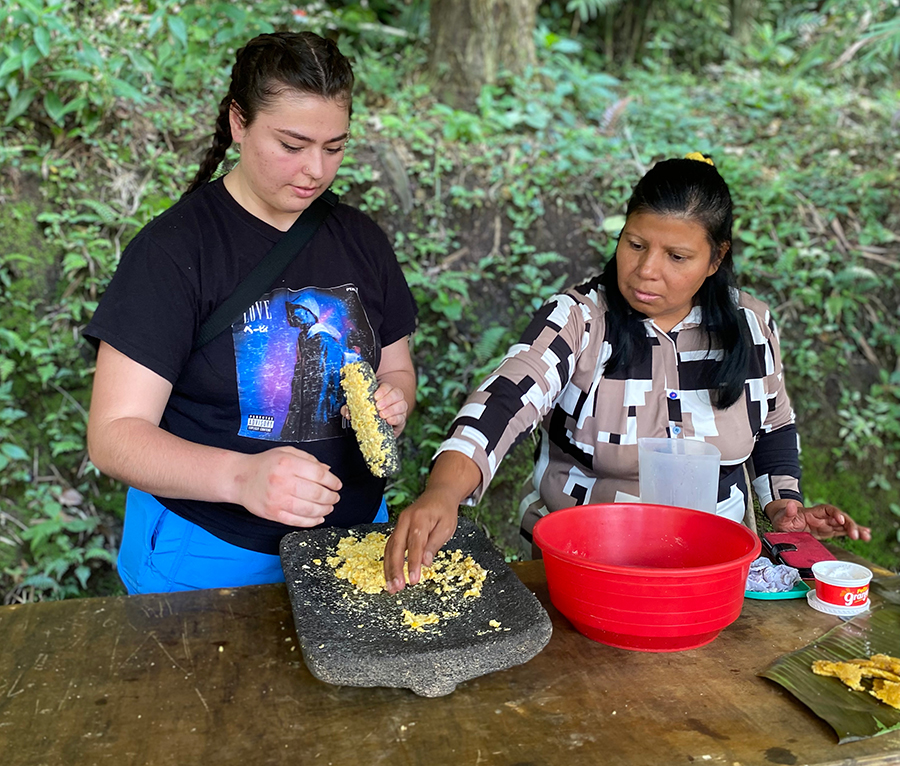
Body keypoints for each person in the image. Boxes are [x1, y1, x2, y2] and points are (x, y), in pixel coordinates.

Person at [383, 153, 870, 594]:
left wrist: (783, 505)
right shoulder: (581, 320)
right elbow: (504, 401)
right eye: (635, 244)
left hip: (710, 572)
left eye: (677, 257)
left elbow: (773, 426)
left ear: (716, 258)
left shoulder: (750, 324)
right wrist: (443, 492)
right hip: (582, 567)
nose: (645, 271)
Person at [85, 31, 417, 594]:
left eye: (334, 147)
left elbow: (397, 367)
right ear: (240, 122)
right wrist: (241, 477)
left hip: (355, 541)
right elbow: (115, 435)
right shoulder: (175, 251)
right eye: (292, 145)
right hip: (210, 549)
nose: (315, 169)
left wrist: (395, 397)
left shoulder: (361, 239)